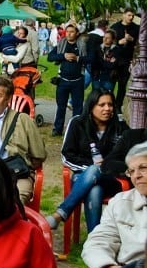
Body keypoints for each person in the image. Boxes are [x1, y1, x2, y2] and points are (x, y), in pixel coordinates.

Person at [47, 88, 128, 233]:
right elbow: (67, 156)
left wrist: (106, 167)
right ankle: (95, 239)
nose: (107, 109)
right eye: (102, 105)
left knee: (96, 170)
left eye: (110, 105)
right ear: (91, 106)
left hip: (112, 180)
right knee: (94, 187)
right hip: (83, 179)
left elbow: (128, 157)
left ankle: (61, 213)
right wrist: (92, 169)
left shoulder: (120, 127)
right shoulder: (77, 123)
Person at [81, 142, 147, 268]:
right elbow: (97, 241)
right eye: (131, 171)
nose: (136, 176)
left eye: (143, 168)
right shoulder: (120, 203)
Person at [0, 76, 47, 205]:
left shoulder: (23, 120)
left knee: (14, 204)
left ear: (8, 99)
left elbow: (39, 154)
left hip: (14, 175)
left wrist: (23, 165)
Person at [49, 23, 88, 137]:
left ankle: (75, 130)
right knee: (61, 106)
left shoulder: (82, 45)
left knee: (78, 107)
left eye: (72, 32)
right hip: (63, 80)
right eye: (67, 32)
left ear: (77, 33)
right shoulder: (62, 44)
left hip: (77, 80)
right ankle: (58, 128)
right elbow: (50, 57)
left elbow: (89, 59)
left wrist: (77, 58)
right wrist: (63, 56)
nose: (69, 34)